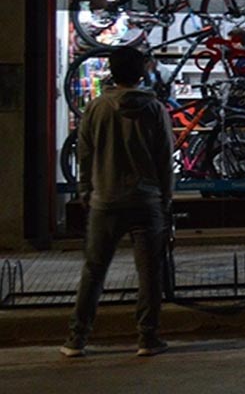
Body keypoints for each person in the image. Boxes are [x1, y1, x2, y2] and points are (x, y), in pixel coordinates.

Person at [62, 47, 175, 358]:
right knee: (150, 273)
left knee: (94, 271)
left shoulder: (96, 108)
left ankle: (76, 338)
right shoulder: (155, 109)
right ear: (141, 73)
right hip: (146, 201)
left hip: (105, 200)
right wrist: (166, 197)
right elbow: (165, 158)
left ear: (112, 71)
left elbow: (84, 153)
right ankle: (147, 337)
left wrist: (85, 189)